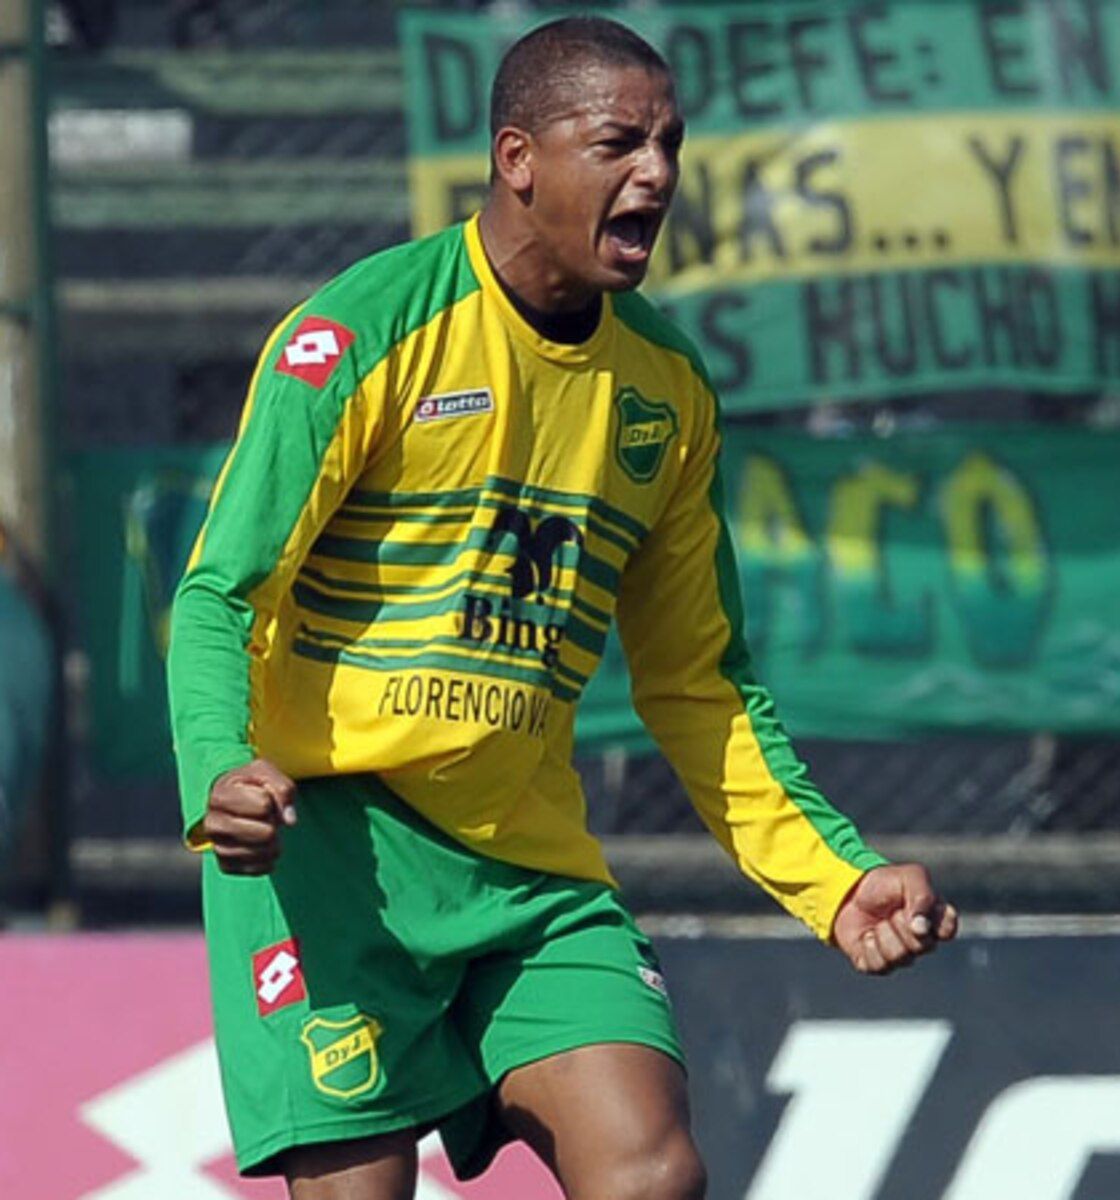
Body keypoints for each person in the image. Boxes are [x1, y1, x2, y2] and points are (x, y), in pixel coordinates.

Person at [168, 15, 957, 1200]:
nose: (656, 173)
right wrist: (221, 769)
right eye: (619, 142)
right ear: (517, 157)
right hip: (328, 852)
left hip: (525, 865)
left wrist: (835, 880)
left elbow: (698, 682)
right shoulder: (362, 337)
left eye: (670, 144)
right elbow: (219, 592)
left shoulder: (668, 391)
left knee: (648, 1170)